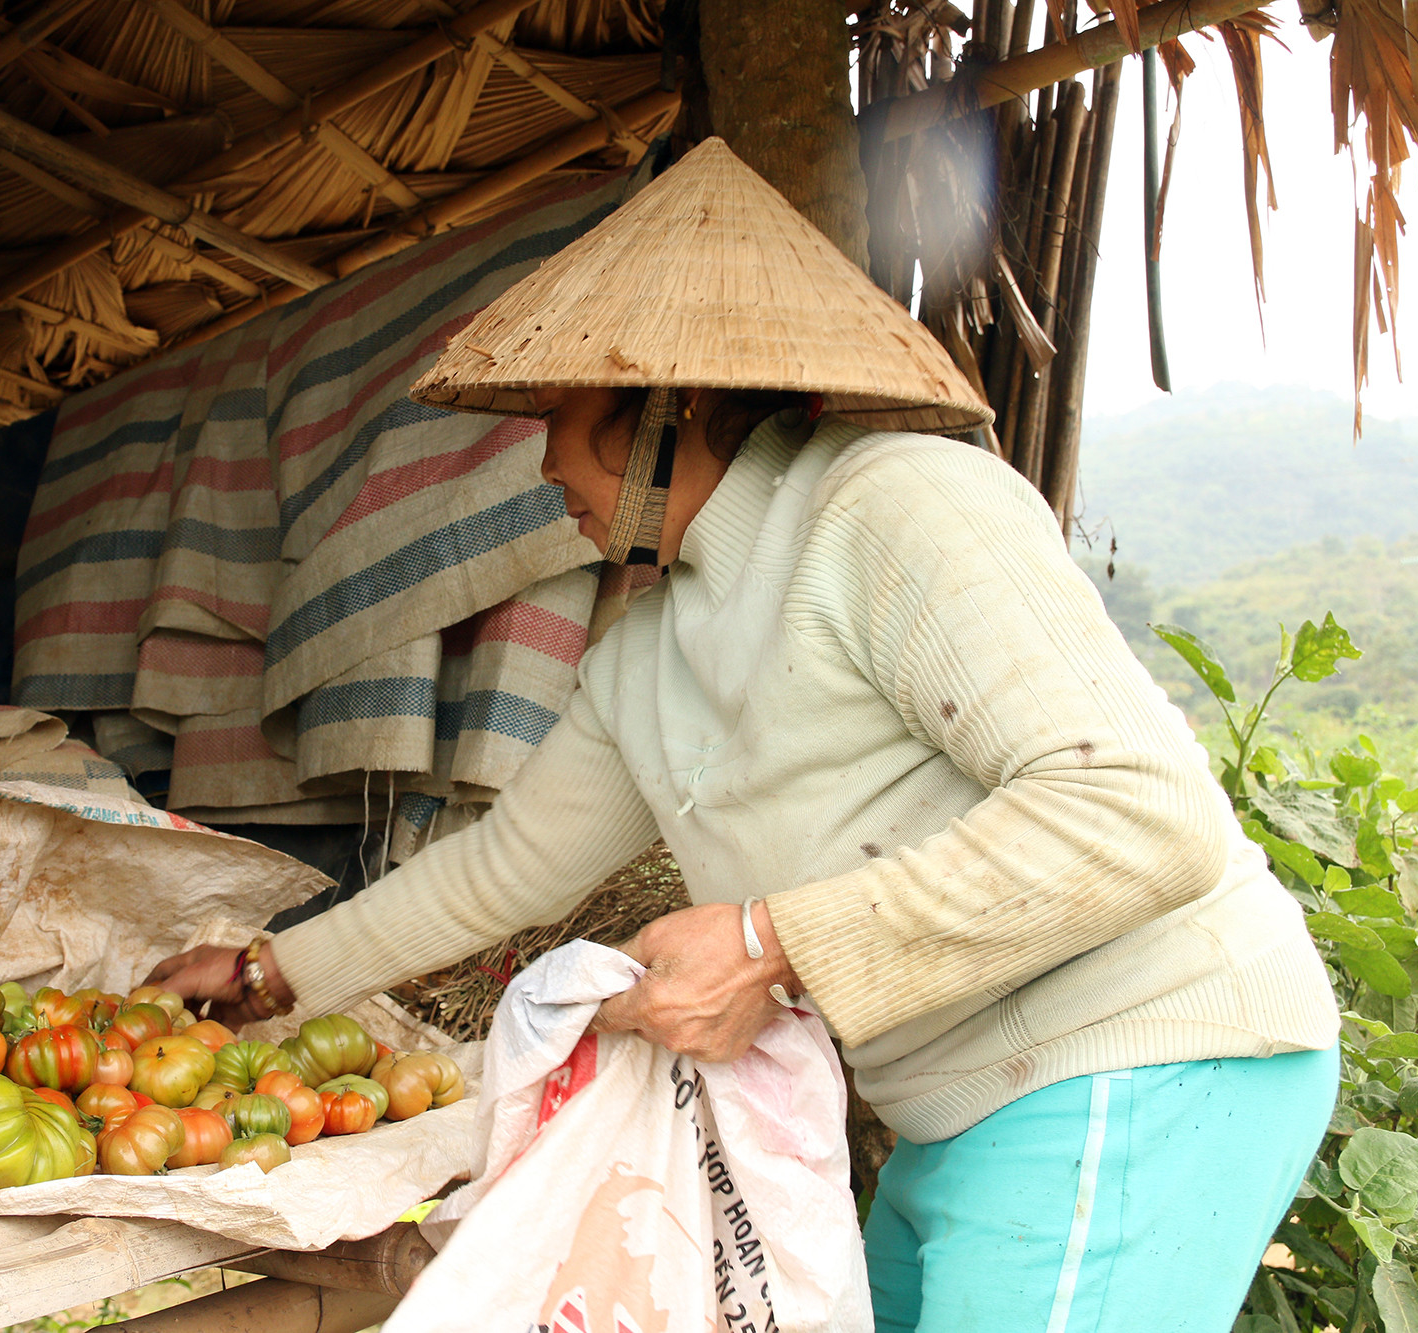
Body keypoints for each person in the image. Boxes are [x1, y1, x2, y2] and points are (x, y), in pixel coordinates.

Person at [145, 138, 1339, 1331]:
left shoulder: (895, 505)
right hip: (959, 1099)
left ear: (668, 405)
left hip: (1134, 1056)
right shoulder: (650, 647)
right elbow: (500, 870)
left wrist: (769, 941)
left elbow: (1137, 810)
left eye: (561, 412)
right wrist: (269, 971)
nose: (542, 455)